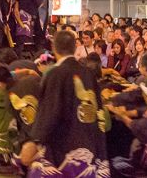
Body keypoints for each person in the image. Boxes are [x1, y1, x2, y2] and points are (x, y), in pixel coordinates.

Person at [23, 30, 108, 176]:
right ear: (75, 48)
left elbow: (49, 111)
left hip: (63, 143)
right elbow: (98, 110)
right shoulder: (87, 73)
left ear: (54, 47)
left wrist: (35, 140)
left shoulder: (55, 73)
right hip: (89, 139)